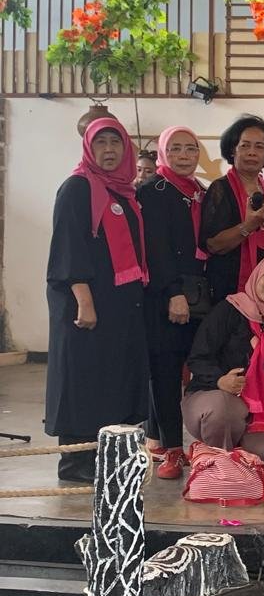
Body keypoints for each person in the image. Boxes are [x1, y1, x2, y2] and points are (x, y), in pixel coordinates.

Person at [46, 117, 150, 482]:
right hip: (87, 303)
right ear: (89, 148)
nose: (109, 150)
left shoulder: (124, 192)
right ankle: (77, 464)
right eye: (101, 143)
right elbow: (68, 247)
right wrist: (84, 300)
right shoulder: (77, 187)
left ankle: (111, 459)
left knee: (114, 377)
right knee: (84, 378)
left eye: (115, 142)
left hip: (121, 303)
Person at [184, 253, 264, 468]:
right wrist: (219, 380)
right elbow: (198, 356)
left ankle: (238, 462)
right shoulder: (230, 309)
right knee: (222, 410)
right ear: (257, 275)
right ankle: (219, 466)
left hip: (261, 411)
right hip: (212, 396)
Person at [138, 125, 207, 480]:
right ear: (164, 152)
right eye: (176, 148)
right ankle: (172, 449)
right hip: (167, 295)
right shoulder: (153, 190)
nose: (183, 155)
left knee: (189, 369)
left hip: (199, 295)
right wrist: (173, 292)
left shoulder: (199, 191)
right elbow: (156, 248)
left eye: (190, 149)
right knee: (165, 371)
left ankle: (170, 442)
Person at [200, 115, 264, 304]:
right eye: (245, 146)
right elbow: (212, 244)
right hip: (228, 287)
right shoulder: (220, 188)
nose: (252, 152)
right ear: (232, 150)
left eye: (259, 147)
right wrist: (248, 226)